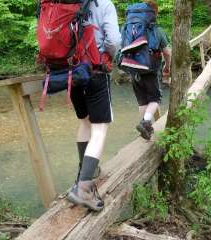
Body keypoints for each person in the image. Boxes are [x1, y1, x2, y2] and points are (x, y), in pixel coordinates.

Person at [66, 0, 121, 211]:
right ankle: (84, 189)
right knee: (100, 129)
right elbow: (114, 40)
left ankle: (81, 178)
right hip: (95, 70)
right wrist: (109, 57)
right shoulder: (104, 4)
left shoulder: (63, 2)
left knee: (84, 123)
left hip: (69, 73)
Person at [132, 0, 171, 140]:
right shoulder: (158, 31)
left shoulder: (133, 29)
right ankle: (145, 122)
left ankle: (144, 129)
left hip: (134, 69)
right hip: (151, 70)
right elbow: (167, 53)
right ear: (155, 13)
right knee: (155, 98)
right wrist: (168, 66)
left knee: (142, 101)